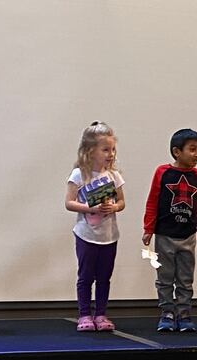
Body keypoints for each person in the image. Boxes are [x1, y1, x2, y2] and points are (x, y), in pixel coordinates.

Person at [143, 129, 197, 332]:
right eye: (192, 149)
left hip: (187, 235)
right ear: (176, 151)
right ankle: (167, 313)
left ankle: (184, 313)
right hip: (164, 234)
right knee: (164, 277)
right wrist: (148, 228)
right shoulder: (163, 173)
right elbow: (153, 200)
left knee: (185, 278)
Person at [65, 121, 125, 332]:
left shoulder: (114, 176)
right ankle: (84, 314)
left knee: (104, 277)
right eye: (105, 149)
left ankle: (100, 313)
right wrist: (90, 207)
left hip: (109, 235)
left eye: (113, 149)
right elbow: (69, 202)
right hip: (86, 234)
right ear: (91, 151)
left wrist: (114, 207)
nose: (110, 154)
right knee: (86, 276)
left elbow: (121, 202)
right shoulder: (79, 175)